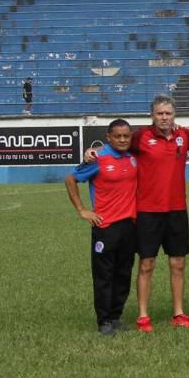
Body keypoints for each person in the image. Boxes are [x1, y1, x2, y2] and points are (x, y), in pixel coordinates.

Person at [123, 96, 189, 331]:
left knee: (178, 263)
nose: (164, 117)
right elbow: (116, 147)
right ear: (152, 115)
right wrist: (93, 152)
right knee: (146, 263)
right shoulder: (140, 137)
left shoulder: (184, 136)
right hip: (148, 210)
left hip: (177, 210)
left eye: (168, 113)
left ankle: (179, 313)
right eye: (160, 113)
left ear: (174, 115)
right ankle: (142, 316)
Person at [65, 119, 138, 335]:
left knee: (124, 273)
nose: (123, 139)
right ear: (108, 137)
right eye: (118, 136)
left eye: (126, 136)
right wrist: (81, 210)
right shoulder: (98, 159)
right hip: (105, 227)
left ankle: (116, 316)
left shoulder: (133, 158)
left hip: (130, 226)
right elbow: (70, 179)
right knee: (104, 275)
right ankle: (104, 320)